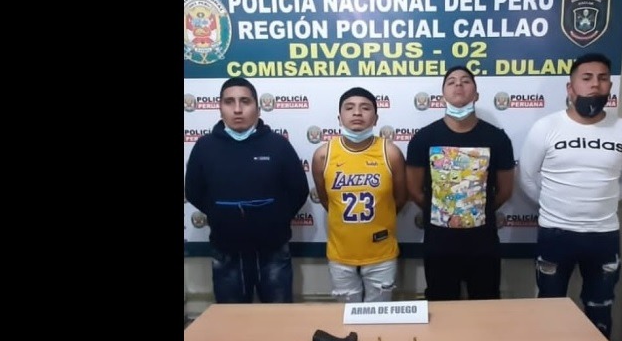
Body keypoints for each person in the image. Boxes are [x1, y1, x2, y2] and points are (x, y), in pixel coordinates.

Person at [518, 53, 622, 338]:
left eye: (602, 78)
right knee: (548, 309)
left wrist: (597, 202)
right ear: (571, 87)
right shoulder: (546, 127)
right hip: (555, 233)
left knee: (600, 310)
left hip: (603, 235)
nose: (595, 84)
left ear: (609, 86)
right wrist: (558, 205)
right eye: (586, 78)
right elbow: (527, 178)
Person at [185, 77, 309, 303]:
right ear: (220, 108)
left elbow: (298, 190)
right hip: (226, 250)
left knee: (279, 317)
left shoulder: (278, 145)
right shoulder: (204, 147)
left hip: (273, 249)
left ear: (258, 108)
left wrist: (273, 218)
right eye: (229, 102)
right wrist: (222, 213)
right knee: (231, 319)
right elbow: (193, 191)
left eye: (245, 101)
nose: (237, 109)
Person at [406, 66, 515, 301]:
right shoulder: (424, 138)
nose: (458, 84)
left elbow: (505, 190)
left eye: (465, 81)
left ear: (476, 94)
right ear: (442, 95)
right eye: (451, 81)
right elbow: (414, 189)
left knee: (486, 305)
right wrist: (444, 210)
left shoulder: (497, 138)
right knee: (441, 305)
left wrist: (478, 209)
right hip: (439, 244)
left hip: (483, 243)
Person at [311, 87, 407, 303]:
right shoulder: (323, 155)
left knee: (378, 315)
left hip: (382, 254)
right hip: (340, 255)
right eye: (349, 108)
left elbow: (400, 198)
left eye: (365, 108)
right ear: (339, 117)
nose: (357, 113)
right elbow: (326, 200)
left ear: (376, 118)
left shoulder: (390, 153)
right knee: (347, 315)